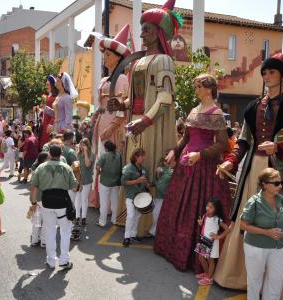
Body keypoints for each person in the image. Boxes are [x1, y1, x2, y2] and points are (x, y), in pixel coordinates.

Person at [214, 53, 283, 299]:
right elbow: (243, 141)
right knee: (250, 218)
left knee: (280, 220)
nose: (266, 76)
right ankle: (238, 277)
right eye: (264, 72)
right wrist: (230, 161)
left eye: (271, 72)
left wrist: (280, 148)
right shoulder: (252, 107)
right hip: (254, 170)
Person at [107, 0, 182, 235]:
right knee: (133, 170)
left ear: (159, 32)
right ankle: (129, 218)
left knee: (147, 168)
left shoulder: (164, 61)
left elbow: (165, 98)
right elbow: (135, 97)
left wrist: (145, 121)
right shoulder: (138, 62)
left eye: (147, 28)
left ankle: (146, 225)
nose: (142, 33)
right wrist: (122, 103)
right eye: (142, 28)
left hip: (150, 126)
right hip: (136, 124)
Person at [155, 74, 232, 272]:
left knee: (199, 208)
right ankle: (171, 249)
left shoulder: (217, 114)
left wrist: (201, 154)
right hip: (186, 164)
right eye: (196, 86)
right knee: (178, 205)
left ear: (208, 89)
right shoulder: (194, 110)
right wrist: (175, 150)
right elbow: (186, 138)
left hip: (204, 167)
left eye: (199, 86)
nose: (196, 89)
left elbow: (223, 144)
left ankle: (198, 260)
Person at [240, 168, 283, 300]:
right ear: (264, 185)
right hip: (256, 247)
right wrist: (266, 232)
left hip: (278, 247)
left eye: (280, 182)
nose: (280, 186)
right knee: (254, 282)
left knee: (276, 283)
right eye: (276, 183)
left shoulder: (280, 199)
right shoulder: (254, 202)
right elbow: (243, 225)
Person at [30, 144, 77, 269]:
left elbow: (34, 187)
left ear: (50, 154)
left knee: (49, 231)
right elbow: (74, 187)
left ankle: (51, 261)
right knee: (65, 232)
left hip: (47, 202)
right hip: (62, 202)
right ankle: (64, 260)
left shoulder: (41, 167)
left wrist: (33, 202)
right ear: (61, 154)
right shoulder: (67, 168)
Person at [93, 24, 130, 154]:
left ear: (118, 57)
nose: (105, 57)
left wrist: (110, 129)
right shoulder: (104, 80)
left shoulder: (122, 79)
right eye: (104, 54)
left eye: (108, 54)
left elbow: (122, 110)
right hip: (101, 125)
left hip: (112, 130)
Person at [195, 198, 230, 285]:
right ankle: (207, 274)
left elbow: (227, 230)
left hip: (213, 242)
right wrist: (200, 223)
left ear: (216, 209)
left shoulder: (217, 219)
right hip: (204, 240)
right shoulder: (205, 215)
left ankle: (209, 278)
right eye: (207, 206)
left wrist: (218, 237)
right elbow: (204, 226)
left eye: (211, 207)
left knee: (211, 260)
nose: (208, 208)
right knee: (201, 257)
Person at [121, 148, 150, 247]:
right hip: (130, 196)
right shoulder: (128, 168)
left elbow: (147, 183)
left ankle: (133, 234)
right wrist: (137, 181)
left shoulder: (144, 169)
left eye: (144, 155)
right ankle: (127, 237)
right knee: (130, 216)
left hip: (140, 197)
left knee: (137, 216)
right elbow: (123, 182)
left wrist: (147, 184)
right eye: (142, 156)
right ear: (136, 157)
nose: (144, 158)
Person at [95, 140, 122, 227]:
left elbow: (98, 167)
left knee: (104, 203)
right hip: (116, 182)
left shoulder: (104, 155)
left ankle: (102, 222)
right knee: (115, 202)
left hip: (105, 182)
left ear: (106, 148)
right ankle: (114, 220)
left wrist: (99, 172)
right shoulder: (119, 155)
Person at [29, 152, 49, 247]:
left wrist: (33, 201)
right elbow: (34, 186)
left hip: (36, 198)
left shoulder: (36, 169)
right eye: (48, 158)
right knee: (46, 220)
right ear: (44, 160)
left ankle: (35, 239)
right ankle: (43, 241)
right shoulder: (43, 169)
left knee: (37, 220)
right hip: (43, 198)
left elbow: (32, 187)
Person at [75, 138, 94, 226]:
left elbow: (87, 165)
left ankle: (83, 218)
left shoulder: (91, 154)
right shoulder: (78, 154)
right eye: (80, 144)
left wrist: (86, 152)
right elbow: (76, 167)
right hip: (78, 180)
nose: (81, 146)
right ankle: (77, 217)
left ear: (87, 146)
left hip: (86, 180)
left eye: (83, 145)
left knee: (84, 199)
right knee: (77, 199)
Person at [39, 75, 59, 149]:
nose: (46, 86)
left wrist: (51, 123)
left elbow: (56, 111)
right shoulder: (47, 96)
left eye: (48, 84)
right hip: (44, 123)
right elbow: (45, 110)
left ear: (52, 85)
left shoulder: (55, 97)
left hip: (49, 124)